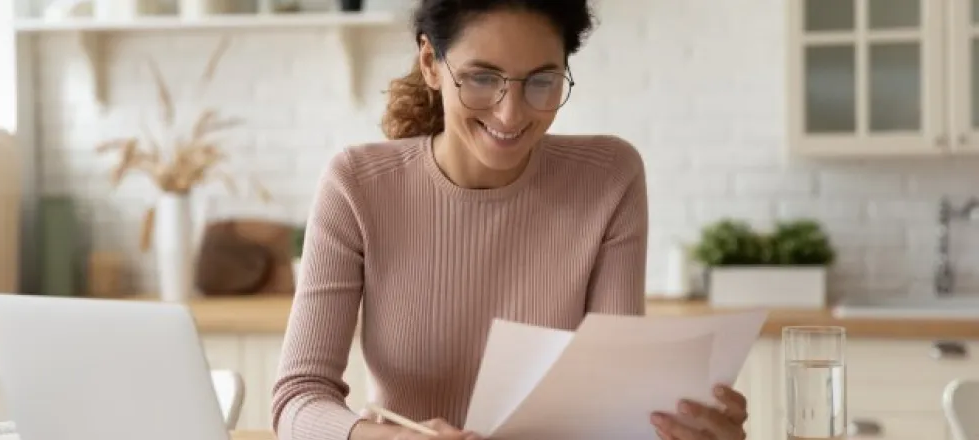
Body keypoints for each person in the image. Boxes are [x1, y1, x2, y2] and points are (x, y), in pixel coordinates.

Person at [270, 0, 750, 439]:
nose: (511, 112)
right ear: (429, 64)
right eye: (481, 77)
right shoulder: (357, 184)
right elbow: (298, 396)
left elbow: (611, 407)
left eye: (542, 81)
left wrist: (680, 427)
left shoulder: (609, 178)